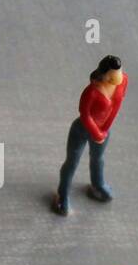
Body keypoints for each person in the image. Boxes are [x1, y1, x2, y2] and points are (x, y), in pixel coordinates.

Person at [54, 55, 128, 216]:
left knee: (98, 159)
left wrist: (104, 130)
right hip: (82, 130)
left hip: (104, 130)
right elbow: (85, 115)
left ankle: (98, 185)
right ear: (105, 73)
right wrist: (97, 132)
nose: (117, 76)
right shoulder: (92, 91)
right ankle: (62, 194)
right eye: (113, 73)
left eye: (119, 72)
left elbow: (116, 107)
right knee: (72, 162)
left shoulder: (123, 82)